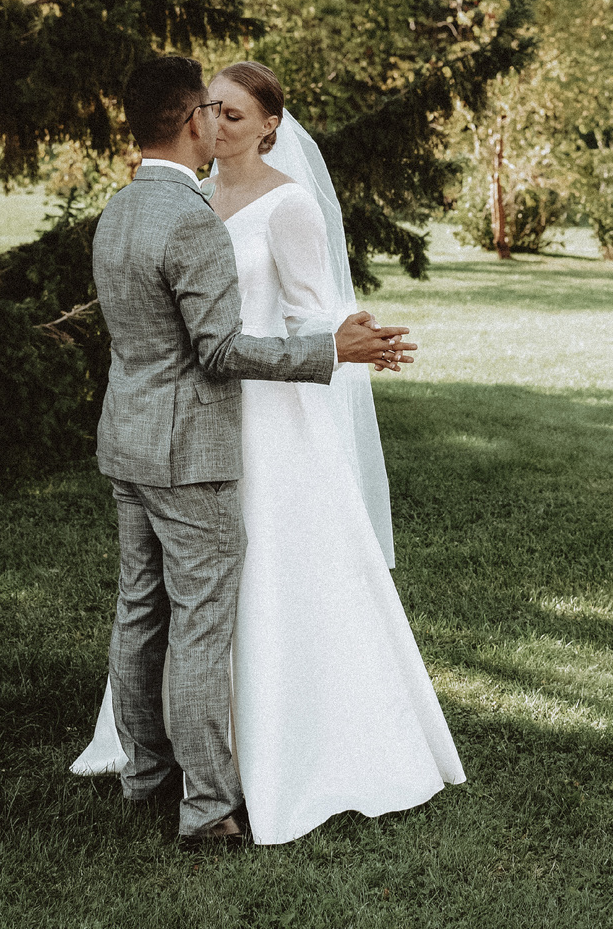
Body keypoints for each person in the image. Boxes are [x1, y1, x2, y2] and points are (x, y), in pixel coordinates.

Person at [79, 55, 416, 847]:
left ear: (269, 126)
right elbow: (220, 350)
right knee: (198, 625)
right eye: (211, 109)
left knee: (139, 611)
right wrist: (330, 352)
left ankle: (146, 774)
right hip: (195, 443)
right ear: (189, 120)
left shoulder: (120, 210)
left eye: (233, 111)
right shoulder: (191, 215)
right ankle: (205, 806)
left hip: (133, 436)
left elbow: (280, 308)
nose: (217, 121)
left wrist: (335, 335)